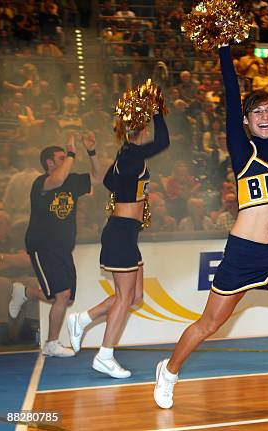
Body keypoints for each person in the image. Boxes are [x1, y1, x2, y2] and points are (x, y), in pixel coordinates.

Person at [152, 45, 268, 423]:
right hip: (243, 255)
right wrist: (224, 47)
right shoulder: (243, 150)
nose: (264, 116)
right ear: (246, 120)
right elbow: (229, 93)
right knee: (208, 325)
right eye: (256, 111)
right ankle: (169, 371)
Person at [67, 110, 170, 377]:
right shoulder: (131, 155)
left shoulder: (124, 157)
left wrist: (92, 153)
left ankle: (82, 319)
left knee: (135, 296)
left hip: (126, 233)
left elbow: (106, 182)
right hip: (120, 232)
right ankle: (105, 355)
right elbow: (164, 143)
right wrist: (157, 112)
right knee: (125, 298)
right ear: (142, 130)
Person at [8, 133, 101, 357]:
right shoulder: (42, 182)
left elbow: (98, 177)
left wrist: (92, 151)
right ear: (50, 163)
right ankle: (51, 343)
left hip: (63, 248)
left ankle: (25, 292)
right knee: (61, 294)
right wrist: (71, 151)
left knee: (63, 297)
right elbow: (58, 180)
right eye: (61, 158)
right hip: (43, 245)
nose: (67, 161)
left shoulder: (73, 181)